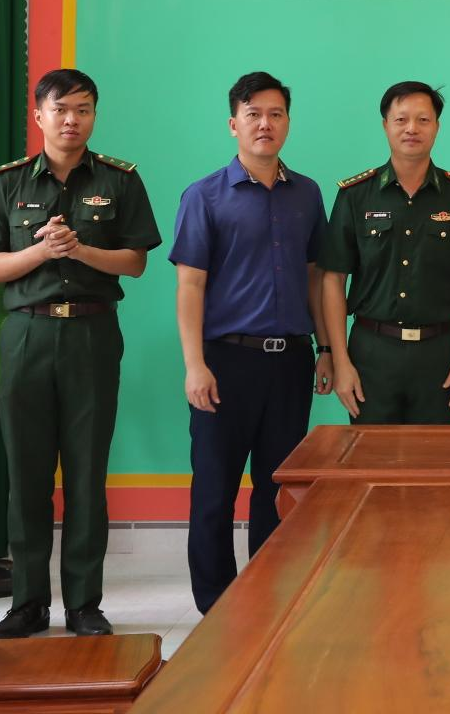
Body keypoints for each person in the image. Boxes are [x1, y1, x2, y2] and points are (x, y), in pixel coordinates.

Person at [0, 68, 161, 639]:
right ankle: (28, 603)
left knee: (86, 473)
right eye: (61, 109)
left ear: (94, 115)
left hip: (92, 335)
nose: (72, 119)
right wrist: (42, 251)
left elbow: (135, 262)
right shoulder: (7, 183)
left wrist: (80, 250)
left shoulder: (120, 181)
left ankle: (83, 603)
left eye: (84, 109)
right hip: (26, 334)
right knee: (26, 475)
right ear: (39, 116)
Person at [170, 72, 334, 614]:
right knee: (214, 488)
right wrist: (195, 365)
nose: (265, 124)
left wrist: (326, 349)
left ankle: (271, 595)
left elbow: (314, 278)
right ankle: (215, 605)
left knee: (278, 487)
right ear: (233, 124)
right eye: (253, 114)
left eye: (276, 114)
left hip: (290, 362)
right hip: (225, 361)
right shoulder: (204, 196)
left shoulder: (307, 193)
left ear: (288, 122)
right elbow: (190, 286)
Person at [319, 81, 450, 424]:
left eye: (423, 120)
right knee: (370, 454)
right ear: (386, 125)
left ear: (436, 127)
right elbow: (333, 279)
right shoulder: (356, 195)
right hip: (371, 351)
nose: (412, 128)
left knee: (433, 455)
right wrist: (341, 359)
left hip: (441, 353)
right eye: (401, 119)